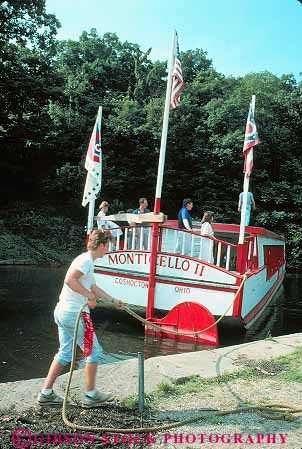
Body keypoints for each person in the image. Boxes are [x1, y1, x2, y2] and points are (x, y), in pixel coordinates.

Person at [37, 230, 124, 408]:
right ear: (101, 245)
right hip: (74, 314)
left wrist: (114, 301)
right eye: (107, 246)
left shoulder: (87, 261)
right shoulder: (85, 261)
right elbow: (70, 279)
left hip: (62, 311)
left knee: (65, 353)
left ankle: (46, 394)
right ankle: (91, 395)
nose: (108, 250)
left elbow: (92, 286)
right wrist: (89, 296)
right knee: (94, 352)